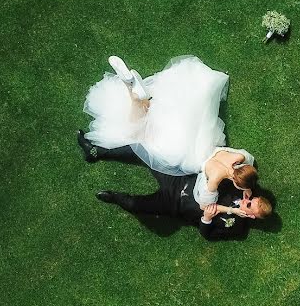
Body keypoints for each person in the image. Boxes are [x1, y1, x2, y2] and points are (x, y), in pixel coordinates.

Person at [78, 142, 272, 240]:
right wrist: (246, 187)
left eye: (249, 205)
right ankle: (96, 151)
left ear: (252, 217)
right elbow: (243, 168)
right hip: (180, 180)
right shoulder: (245, 186)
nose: (247, 200)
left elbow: (208, 235)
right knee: (146, 154)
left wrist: (206, 218)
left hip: (174, 204)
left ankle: (113, 197)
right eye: (252, 199)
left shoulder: (236, 227)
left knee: (135, 205)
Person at [82, 55, 231, 176]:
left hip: (193, 140)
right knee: (137, 135)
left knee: (149, 124)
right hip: (182, 149)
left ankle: (137, 95)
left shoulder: (239, 158)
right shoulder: (221, 174)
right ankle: (134, 95)